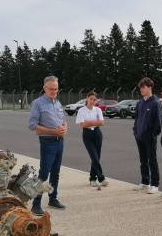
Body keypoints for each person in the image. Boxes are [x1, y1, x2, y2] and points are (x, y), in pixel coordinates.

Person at [28, 75, 67, 215]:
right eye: (51, 89)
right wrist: (53, 131)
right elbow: (32, 126)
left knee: (55, 173)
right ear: (44, 88)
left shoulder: (57, 103)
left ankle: (53, 198)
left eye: (56, 89)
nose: (53, 91)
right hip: (47, 143)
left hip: (60, 142)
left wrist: (64, 128)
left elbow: (63, 120)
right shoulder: (37, 103)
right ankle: (36, 204)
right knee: (44, 174)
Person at [133, 77, 162, 194]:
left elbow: (159, 123)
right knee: (143, 160)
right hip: (139, 136)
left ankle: (155, 184)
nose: (141, 89)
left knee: (152, 160)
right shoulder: (140, 103)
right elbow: (136, 119)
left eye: (143, 87)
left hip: (149, 137)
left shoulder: (155, 103)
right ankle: (145, 182)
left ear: (150, 87)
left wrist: (152, 134)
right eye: (140, 87)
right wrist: (135, 131)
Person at [76, 91, 108, 187]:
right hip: (87, 134)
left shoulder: (98, 110)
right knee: (94, 157)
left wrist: (89, 122)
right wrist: (95, 122)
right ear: (87, 98)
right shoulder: (81, 110)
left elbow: (102, 123)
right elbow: (82, 125)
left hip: (97, 134)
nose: (92, 101)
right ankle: (101, 178)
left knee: (97, 157)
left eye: (94, 100)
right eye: (91, 99)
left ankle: (92, 179)